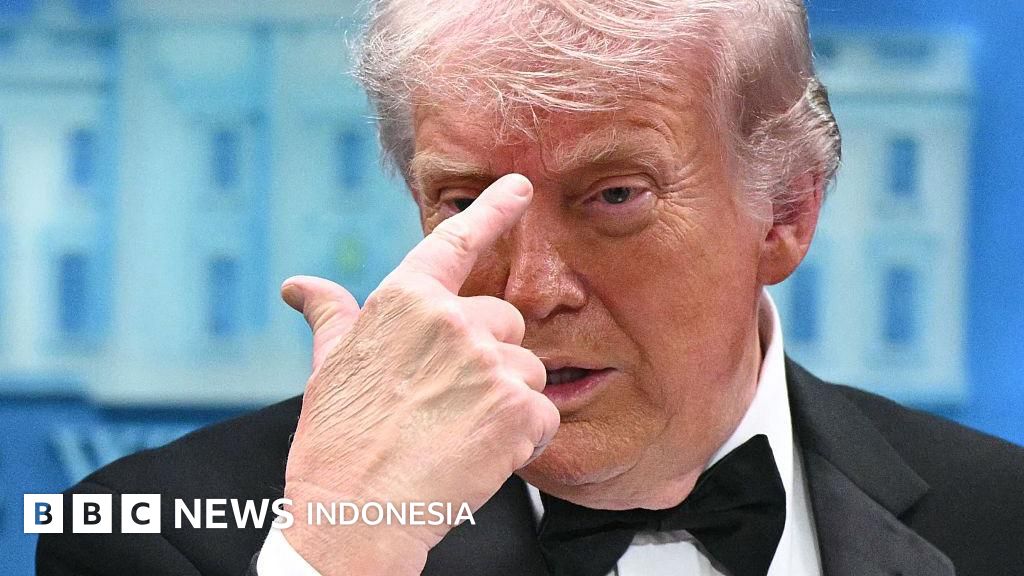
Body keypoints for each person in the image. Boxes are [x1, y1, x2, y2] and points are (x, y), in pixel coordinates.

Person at [37, 0, 1024, 575]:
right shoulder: (156, 533)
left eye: (614, 196)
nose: (532, 290)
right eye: (468, 202)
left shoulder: (1003, 517)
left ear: (784, 214)